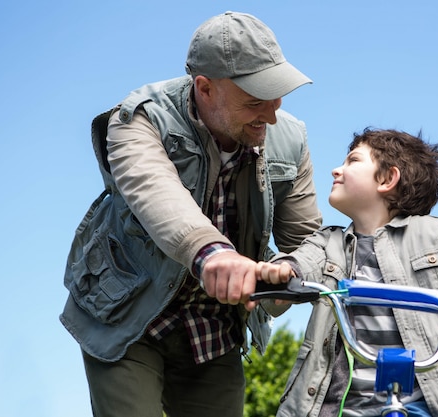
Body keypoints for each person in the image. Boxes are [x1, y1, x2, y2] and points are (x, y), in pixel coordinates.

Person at [59, 11, 322, 417]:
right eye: (255, 100)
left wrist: (289, 269)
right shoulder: (137, 120)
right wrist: (212, 253)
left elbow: (307, 240)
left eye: (277, 95)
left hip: (214, 330)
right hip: (129, 316)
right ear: (205, 88)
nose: (270, 115)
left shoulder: (290, 139)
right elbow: (156, 193)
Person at [257, 128, 438, 417]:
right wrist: (283, 273)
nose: (336, 170)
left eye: (352, 161)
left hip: (427, 402)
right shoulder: (327, 242)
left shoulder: (434, 234)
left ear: (387, 179)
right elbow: (302, 261)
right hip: (340, 404)